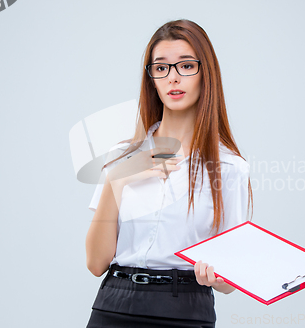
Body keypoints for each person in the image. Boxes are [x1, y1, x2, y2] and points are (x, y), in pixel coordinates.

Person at [85, 19, 253, 328]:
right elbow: (96, 263)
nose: (173, 78)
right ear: (151, 79)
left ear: (207, 74)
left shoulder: (230, 168)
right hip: (113, 305)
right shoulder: (122, 155)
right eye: (161, 68)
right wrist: (118, 179)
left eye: (186, 66)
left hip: (184, 310)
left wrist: (215, 276)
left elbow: (229, 280)